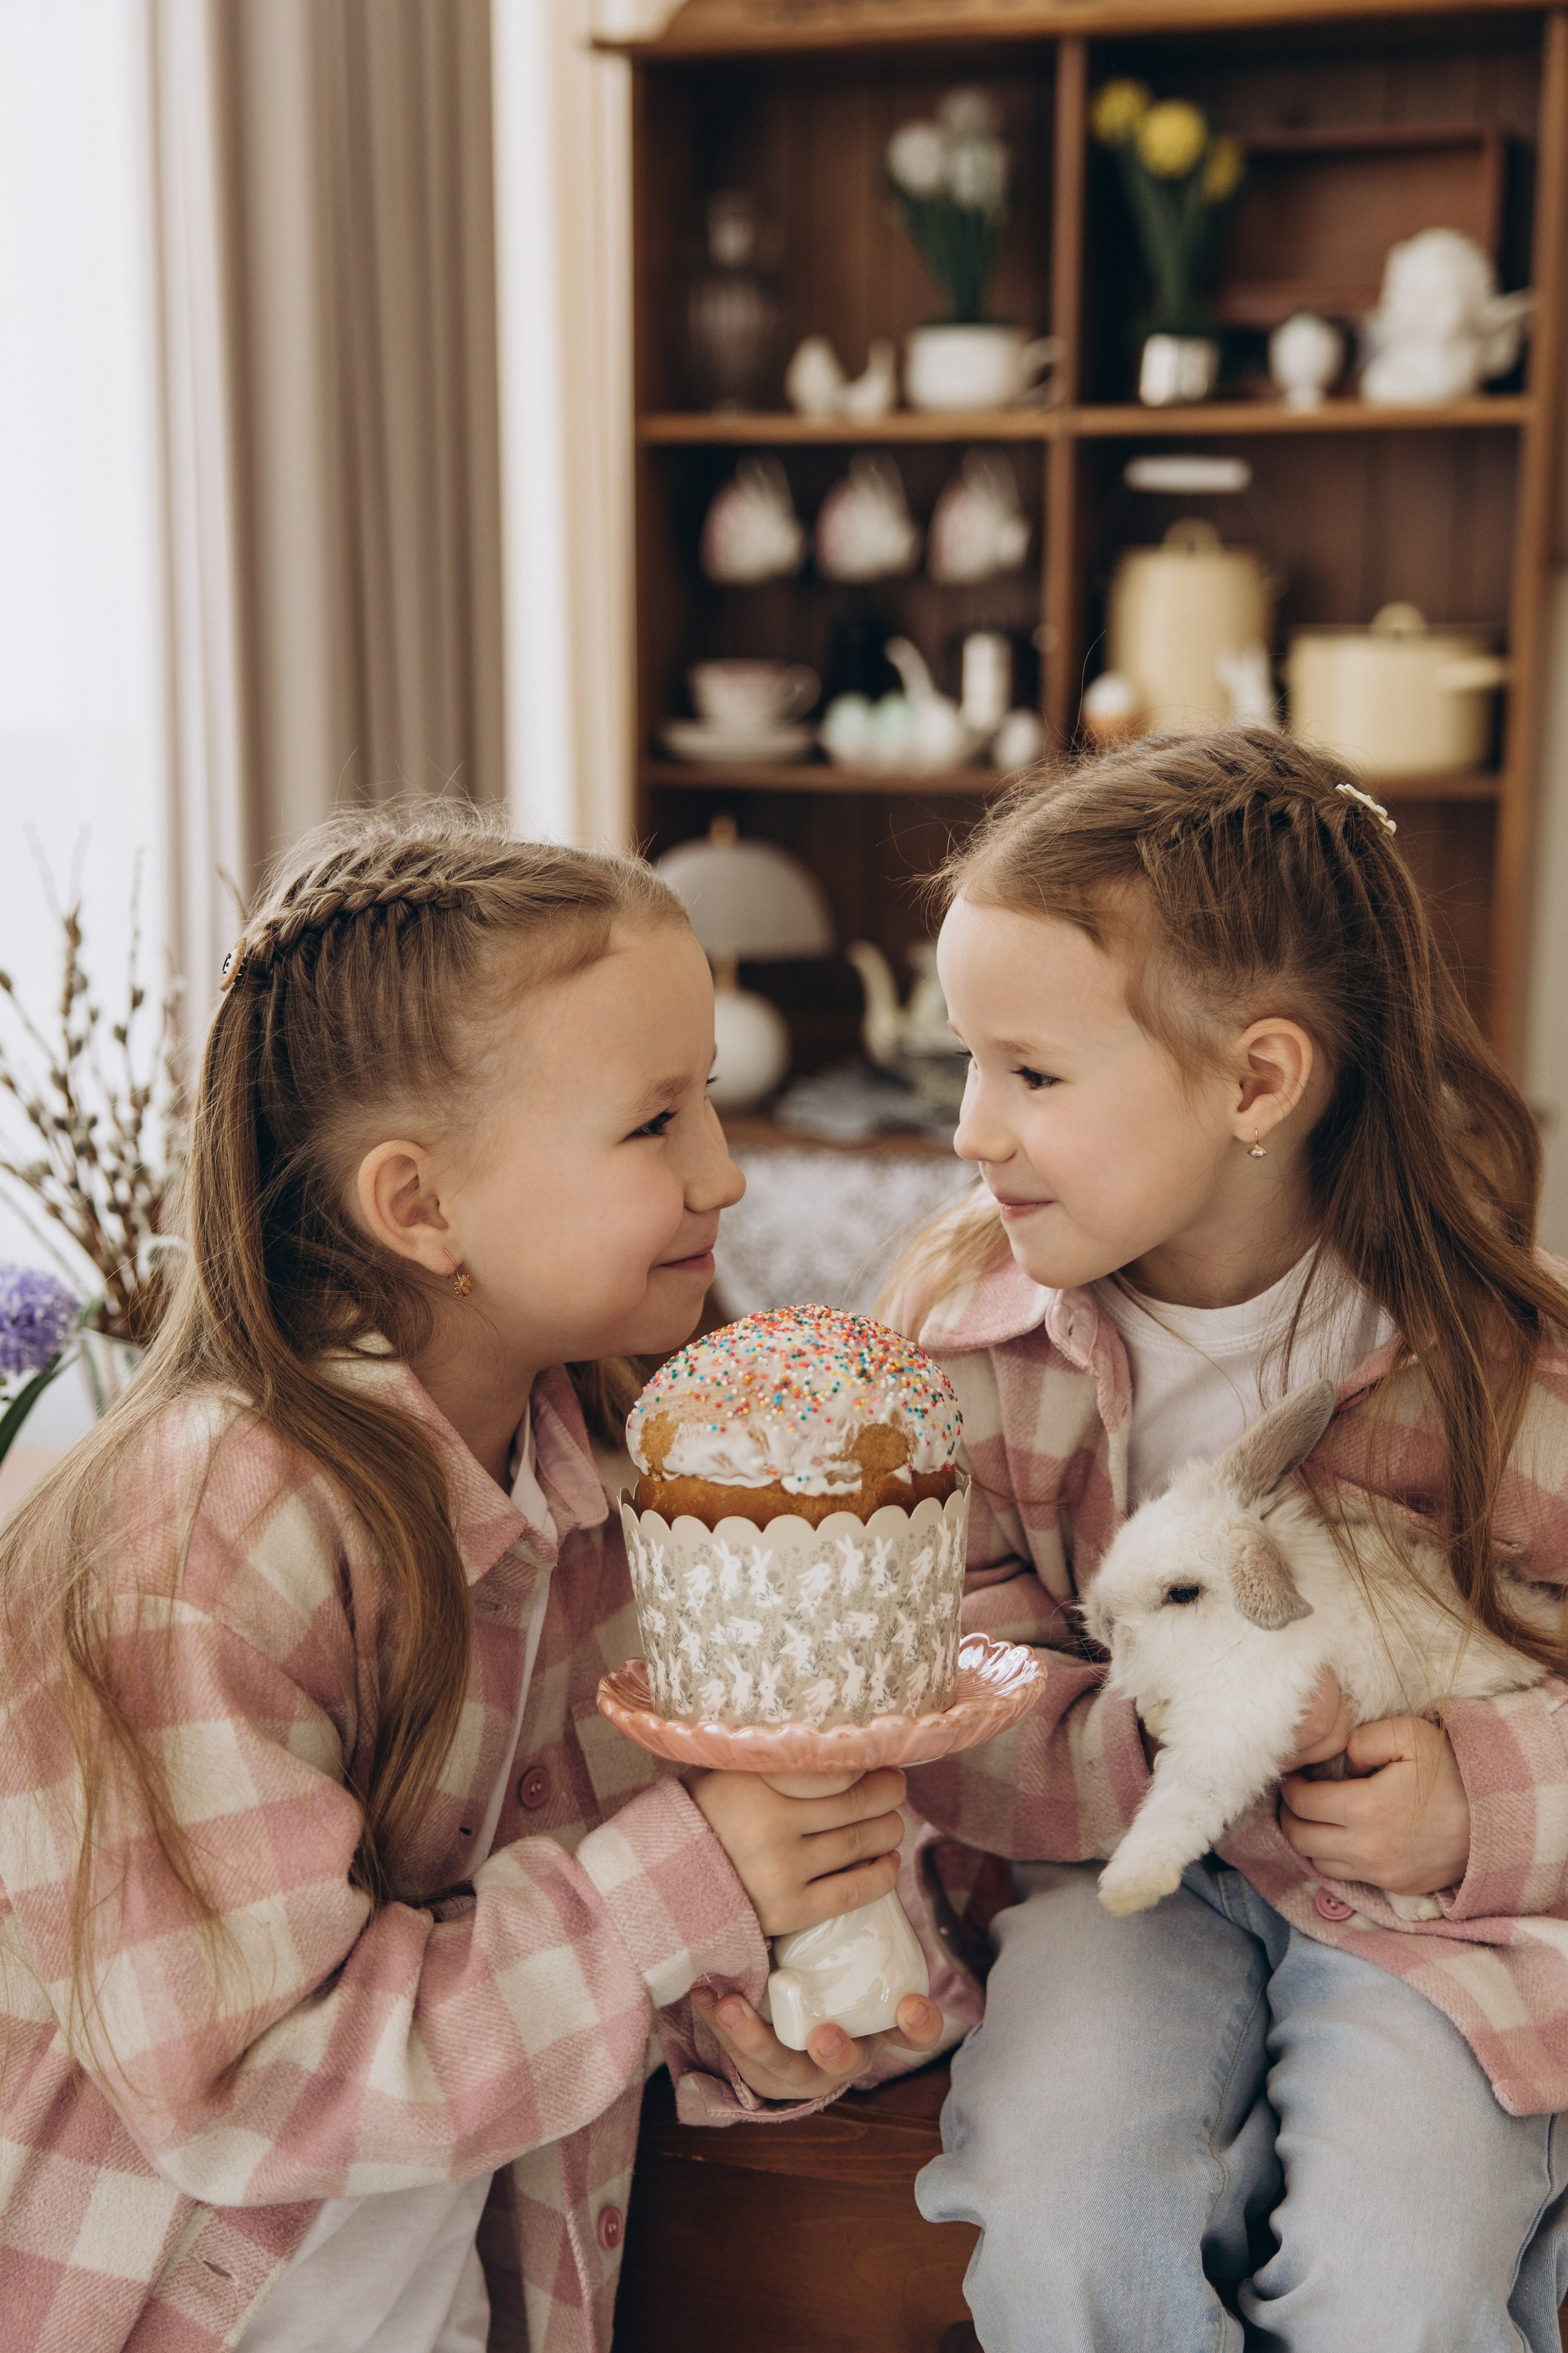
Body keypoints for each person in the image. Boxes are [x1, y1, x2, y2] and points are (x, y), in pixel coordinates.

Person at [0, 803, 943, 2353]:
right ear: (417, 1207)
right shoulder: (202, 1532)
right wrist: (692, 1883)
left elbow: (566, 1955)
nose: (725, 1177)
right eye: (655, 1124)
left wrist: (746, 2018)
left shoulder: (599, 1485)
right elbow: (251, 2078)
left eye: (705, 1104)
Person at [890, 731, 1568, 2351]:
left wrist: (1471, 1796)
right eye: (965, 1063)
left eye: (1034, 1075)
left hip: (1426, 1908)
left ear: (1258, 1080)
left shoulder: (1508, 1375)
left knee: (1401, 2272)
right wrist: (1157, 1735)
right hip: (1124, 1883)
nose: (974, 1132)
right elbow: (938, 1673)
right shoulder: (957, 1342)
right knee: (1060, 2217)